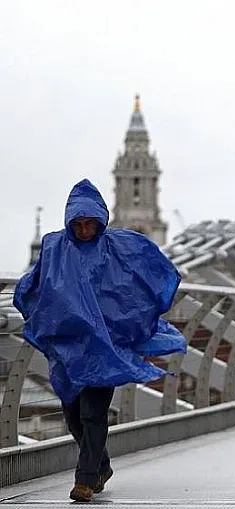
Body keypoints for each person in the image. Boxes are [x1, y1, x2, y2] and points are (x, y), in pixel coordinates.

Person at [14, 179, 186, 502]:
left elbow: (150, 270)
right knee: (74, 415)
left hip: (106, 348)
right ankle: (101, 465)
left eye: (88, 224)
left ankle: (85, 480)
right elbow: (33, 285)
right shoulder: (54, 249)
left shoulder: (118, 247)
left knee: (93, 413)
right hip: (69, 350)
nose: (82, 230)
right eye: (77, 224)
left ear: (100, 221)